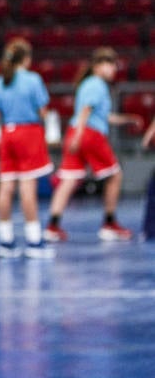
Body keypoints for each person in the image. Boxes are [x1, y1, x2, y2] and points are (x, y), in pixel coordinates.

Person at [44, 47, 142, 242]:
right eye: (109, 64)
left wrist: (129, 119)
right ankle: (109, 224)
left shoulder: (88, 84)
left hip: (77, 132)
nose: (113, 69)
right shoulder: (97, 84)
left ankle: (52, 226)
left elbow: (104, 117)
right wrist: (79, 136)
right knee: (115, 176)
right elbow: (86, 111)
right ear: (98, 66)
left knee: (69, 181)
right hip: (89, 134)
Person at [0, 38, 54, 258]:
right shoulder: (32, 79)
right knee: (28, 187)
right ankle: (34, 240)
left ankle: (6, 240)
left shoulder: (0, 80)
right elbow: (43, 111)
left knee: (6, 186)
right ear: (26, 58)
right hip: (28, 133)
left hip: (7, 133)